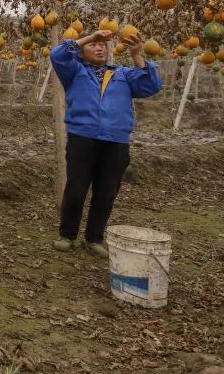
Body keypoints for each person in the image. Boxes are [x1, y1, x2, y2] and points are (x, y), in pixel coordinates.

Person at [50, 29, 162, 257]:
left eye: (103, 45)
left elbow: (151, 86)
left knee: (106, 192)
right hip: (83, 137)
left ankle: (94, 238)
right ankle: (67, 234)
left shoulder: (123, 75)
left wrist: (137, 54)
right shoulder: (74, 71)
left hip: (116, 140)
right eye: (94, 46)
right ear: (82, 52)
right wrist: (90, 37)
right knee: (77, 188)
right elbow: (58, 54)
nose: (100, 48)